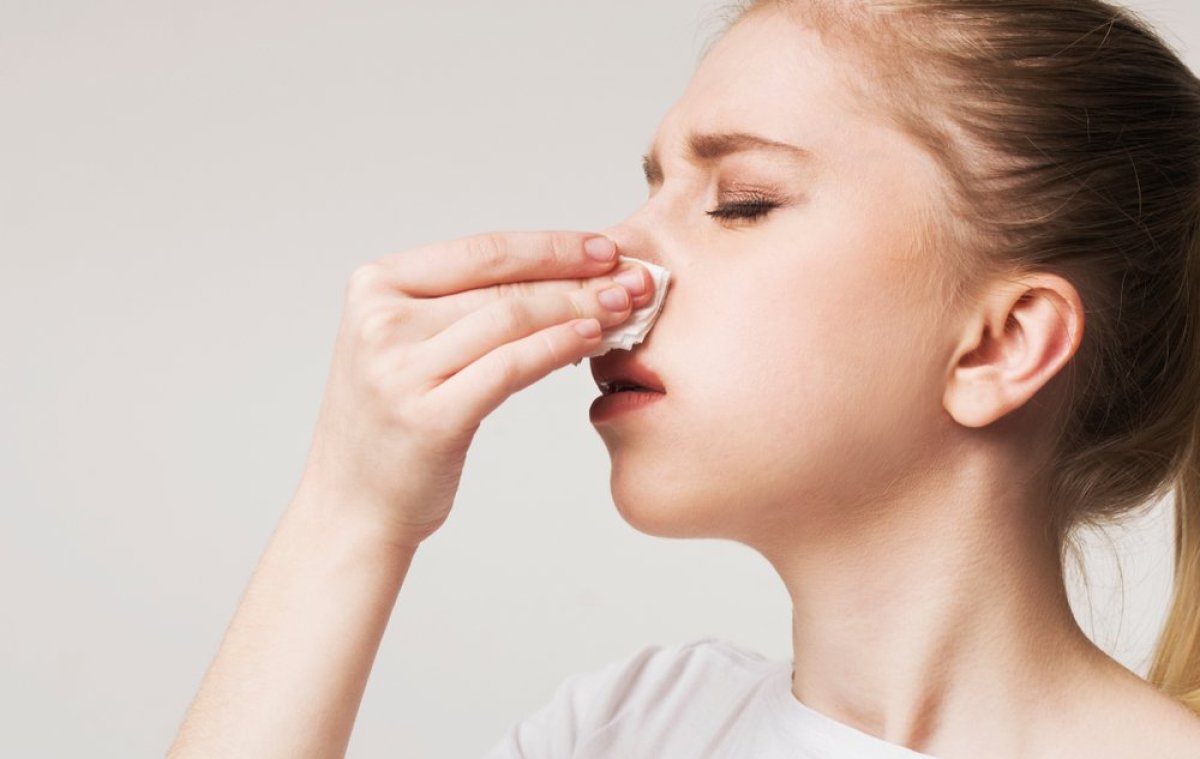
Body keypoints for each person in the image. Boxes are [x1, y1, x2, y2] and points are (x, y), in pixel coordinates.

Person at [166, 0, 1200, 756]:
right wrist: (352, 511)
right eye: (651, 189)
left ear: (1001, 344)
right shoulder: (628, 731)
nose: (619, 256)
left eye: (742, 201)